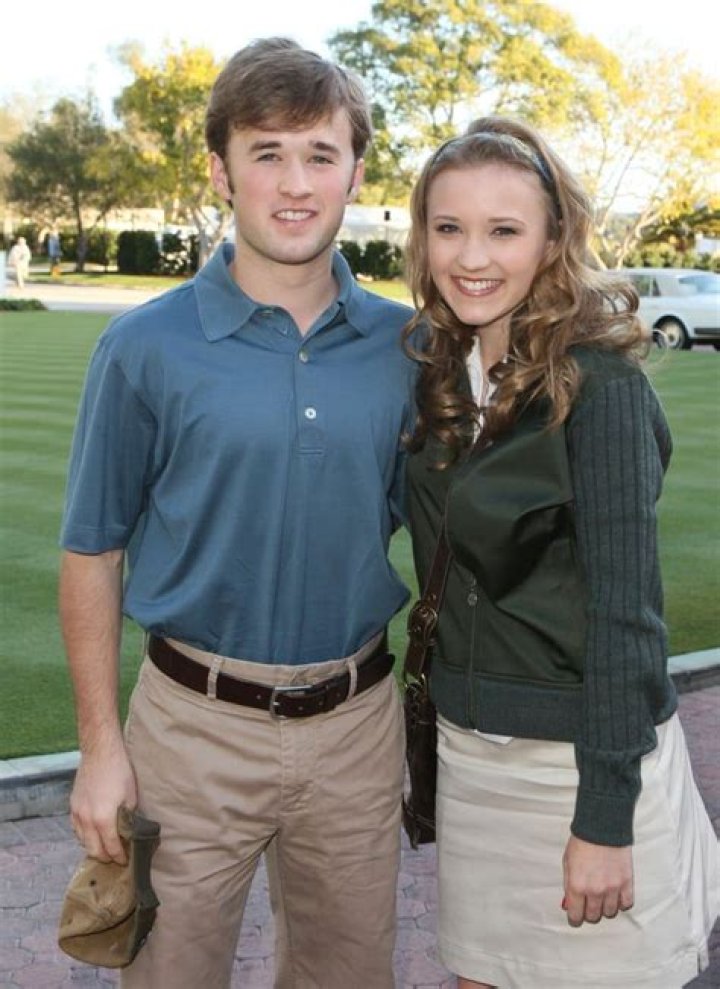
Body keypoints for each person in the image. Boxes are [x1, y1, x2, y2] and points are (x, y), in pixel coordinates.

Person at [59, 37, 414, 988]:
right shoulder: (143, 345)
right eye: (267, 153)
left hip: (356, 728)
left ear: (355, 173)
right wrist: (100, 748)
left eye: (320, 154)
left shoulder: (408, 347)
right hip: (190, 732)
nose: (295, 184)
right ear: (221, 171)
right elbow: (92, 551)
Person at [403, 116, 719, 989]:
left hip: (579, 766)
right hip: (471, 761)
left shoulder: (600, 388)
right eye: (449, 227)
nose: (472, 256)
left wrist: (605, 818)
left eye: (504, 230)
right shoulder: (439, 374)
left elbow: (627, 616)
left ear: (552, 240)